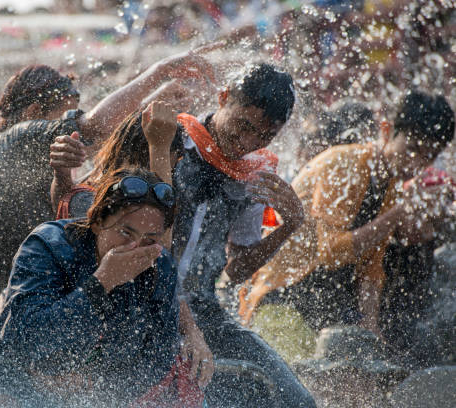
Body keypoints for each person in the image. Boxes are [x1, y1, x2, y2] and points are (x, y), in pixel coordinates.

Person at [0, 53, 214, 293]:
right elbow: (96, 127)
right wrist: (160, 71)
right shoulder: (18, 136)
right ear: (33, 113)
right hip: (19, 290)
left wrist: (152, 106)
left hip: (20, 283)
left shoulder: (4, 155)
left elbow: (102, 142)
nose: (74, 131)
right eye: (66, 114)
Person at [238, 90, 455, 340]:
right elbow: (331, 252)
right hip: (280, 300)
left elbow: (371, 266)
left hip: (324, 302)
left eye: (429, 156)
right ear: (386, 130)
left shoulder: (391, 183)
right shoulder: (344, 164)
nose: (417, 164)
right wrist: (398, 213)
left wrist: (371, 328)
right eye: (412, 149)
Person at [169, 63, 316, 407]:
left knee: (295, 401)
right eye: (244, 126)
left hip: (206, 310)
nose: (248, 143)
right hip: (147, 306)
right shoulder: (171, 141)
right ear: (223, 98)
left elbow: (234, 271)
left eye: (264, 137)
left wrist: (289, 226)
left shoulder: (254, 174)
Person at [51, 101, 214, 389]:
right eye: (156, 162)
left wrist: (193, 331)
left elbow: (162, 273)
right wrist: (160, 148)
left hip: (129, 344)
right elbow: (154, 253)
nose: (158, 180)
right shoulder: (91, 202)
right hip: (85, 340)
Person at [0, 168, 182, 406]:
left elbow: (158, 356)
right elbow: (26, 339)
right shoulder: (48, 245)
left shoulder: (160, 266)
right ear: (98, 222)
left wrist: (98, 387)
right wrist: (102, 282)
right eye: (125, 232)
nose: (135, 247)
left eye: (150, 240)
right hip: (11, 387)